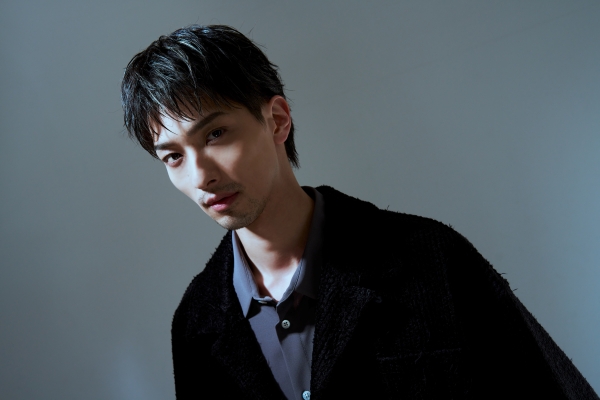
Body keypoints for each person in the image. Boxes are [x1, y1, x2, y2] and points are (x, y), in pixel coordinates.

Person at [120, 25, 598, 400]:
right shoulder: (196, 323)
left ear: (277, 120)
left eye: (215, 134)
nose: (200, 175)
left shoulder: (431, 257)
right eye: (173, 157)